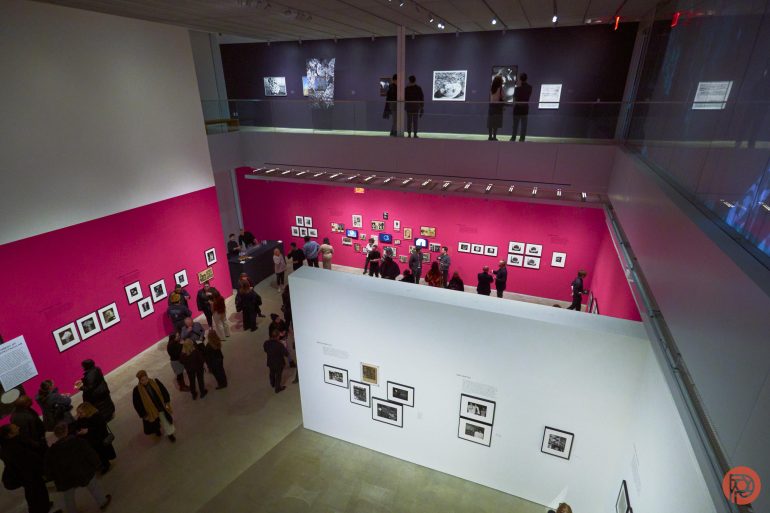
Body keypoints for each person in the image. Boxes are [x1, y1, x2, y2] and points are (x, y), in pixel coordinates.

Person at [45, 423, 112, 513]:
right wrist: (97, 464)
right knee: (93, 486)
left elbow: (49, 466)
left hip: (65, 478)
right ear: (66, 431)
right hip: (83, 471)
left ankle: (72, 511)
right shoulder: (78, 441)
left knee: (68, 496)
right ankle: (102, 501)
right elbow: (90, 453)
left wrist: (52, 477)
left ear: (56, 435)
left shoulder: (52, 451)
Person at [0, 423, 54, 513]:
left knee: (35, 495)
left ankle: (43, 508)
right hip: (30, 476)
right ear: (9, 435)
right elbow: (30, 460)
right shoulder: (15, 447)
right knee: (37, 495)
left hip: (27, 477)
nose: (18, 427)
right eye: (15, 428)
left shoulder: (8, 445)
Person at [131, 370, 175, 442]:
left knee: (165, 421)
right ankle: (157, 430)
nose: (145, 381)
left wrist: (167, 401)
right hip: (150, 412)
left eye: (146, 379)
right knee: (154, 422)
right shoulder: (137, 391)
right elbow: (137, 404)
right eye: (142, 380)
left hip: (159, 407)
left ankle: (170, 434)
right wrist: (144, 415)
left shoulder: (155, 382)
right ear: (139, 381)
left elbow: (163, 390)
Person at [73, 402, 115, 474]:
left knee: (101, 454)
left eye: (80, 413)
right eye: (77, 413)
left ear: (87, 411)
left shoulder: (97, 416)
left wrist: (88, 430)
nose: (78, 414)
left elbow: (101, 428)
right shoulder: (81, 418)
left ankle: (106, 465)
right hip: (90, 440)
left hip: (99, 439)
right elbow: (77, 426)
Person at [264, 329, 289, 393]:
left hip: (270, 362)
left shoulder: (266, 343)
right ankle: (277, 388)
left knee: (271, 373)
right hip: (278, 363)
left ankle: (272, 384)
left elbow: (265, 350)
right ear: (278, 336)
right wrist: (285, 346)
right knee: (278, 375)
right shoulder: (279, 345)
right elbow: (286, 354)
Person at [511, 72, 533, 142]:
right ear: (526, 79)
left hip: (517, 109)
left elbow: (515, 99)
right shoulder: (530, 87)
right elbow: (527, 97)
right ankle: (522, 139)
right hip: (525, 109)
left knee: (515, 126)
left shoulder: (517, 88)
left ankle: (513, 138)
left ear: (520, 79)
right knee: (523, 126)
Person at [488, 75, 505, 140]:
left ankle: (490, 136)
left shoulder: (491, 88)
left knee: (490, 122)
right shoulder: (500, 88)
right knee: (496, 123)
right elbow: (503, 97)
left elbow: (490, 98)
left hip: (491, 107)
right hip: (497, 107)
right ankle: (494, 136)